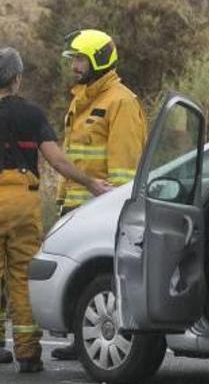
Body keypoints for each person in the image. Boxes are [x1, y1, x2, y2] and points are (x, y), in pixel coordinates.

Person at [0, 47, 112, 372]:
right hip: (22, 199)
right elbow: (58, 160)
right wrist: (90, 183)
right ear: (17, 79)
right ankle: (28, 353)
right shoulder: (32, 114)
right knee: (21, 275)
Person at [50, 29, 148, 361]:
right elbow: (72, 155)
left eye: (79, 59)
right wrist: (63, 200)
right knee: (79, 277)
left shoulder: (120, 101)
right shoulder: (82, 98)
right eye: (74, 60)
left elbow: (126, 167)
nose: (75, 66)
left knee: (100, 277)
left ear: (98, 60)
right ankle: (80, 339)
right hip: (75, 208)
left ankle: (100, 338)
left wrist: (116, 206)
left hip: (100, 210)